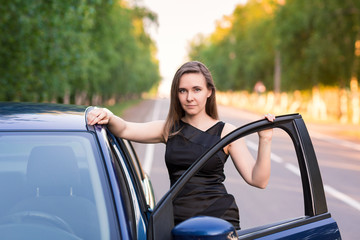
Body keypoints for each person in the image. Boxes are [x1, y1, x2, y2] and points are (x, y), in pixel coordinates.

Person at [87, 61, 275, 229]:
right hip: (177, 223)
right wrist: (108, 115)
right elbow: (126, 129)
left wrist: (264, 140)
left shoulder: (226, 132)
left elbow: (258, 179)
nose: (189, 97)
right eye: (182, 90)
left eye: (196, 90)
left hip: (219, 221)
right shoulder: (169, 129)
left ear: (209, 91)